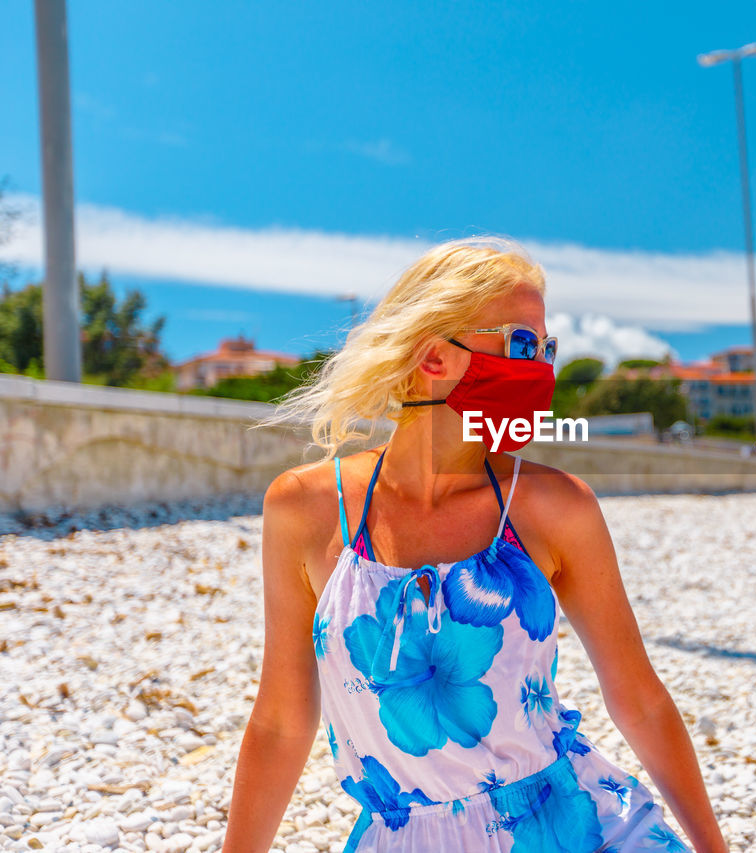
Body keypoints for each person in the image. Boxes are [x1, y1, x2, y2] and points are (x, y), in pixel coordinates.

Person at [225, 239, 726, 852]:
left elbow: (639, 699)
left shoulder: (554, 508)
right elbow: (280, 722)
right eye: (521, 344)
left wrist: (713, 849)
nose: (540, 368)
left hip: (568, 826)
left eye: (547, 349)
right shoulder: (304, 508)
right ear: (434, 356)